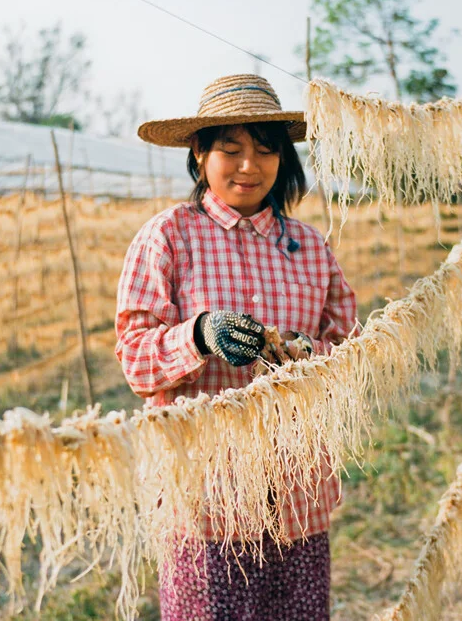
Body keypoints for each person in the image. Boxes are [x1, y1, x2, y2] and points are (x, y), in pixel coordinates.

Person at [115, 74, 358, 621]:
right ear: (200, 153)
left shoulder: (311, 247)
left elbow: (350, 354)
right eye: (231, 149)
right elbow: (134, 357)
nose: (249, 166)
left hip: (294, 488)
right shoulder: (169, 236)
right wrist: (198, 335)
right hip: (204, 493)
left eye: (266, 151)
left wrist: (303, 353)